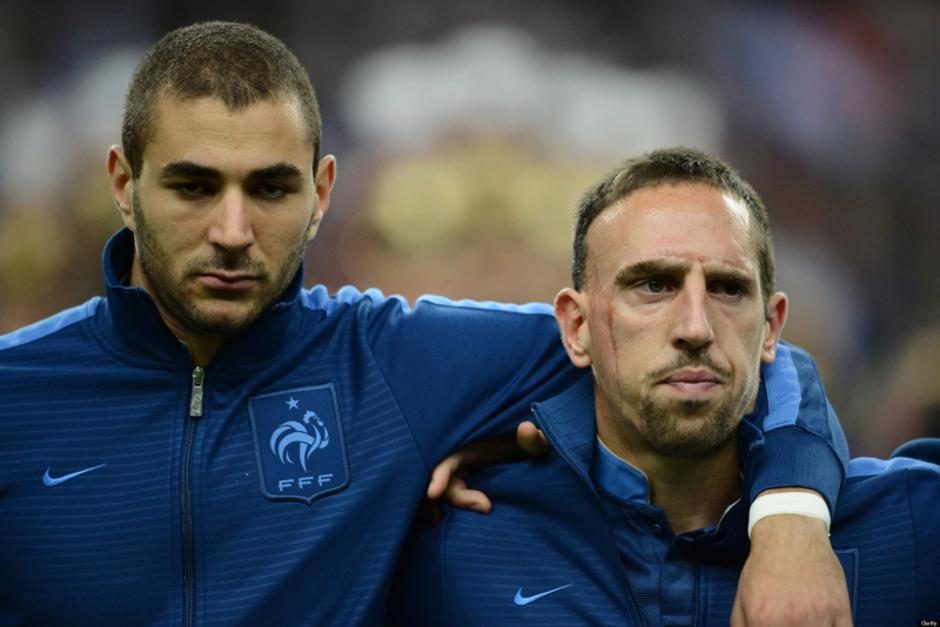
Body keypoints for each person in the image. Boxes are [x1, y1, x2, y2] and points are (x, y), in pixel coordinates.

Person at [0, 23, 848, 625]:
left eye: (270, 188)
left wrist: (790, 519)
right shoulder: (17, 395)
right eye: (191, 186)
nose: (231, 230)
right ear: (123, 181)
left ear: (323, 191)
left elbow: (747, 361)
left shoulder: (395, 365)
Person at [388, 148, 940, 626]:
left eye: (727, 289)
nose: (695, 328)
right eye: (653, 285)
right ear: (576, 328)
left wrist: (794, 518)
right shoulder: (442, 540)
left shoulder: (913, 526)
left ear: (771, 329)